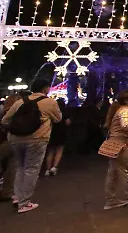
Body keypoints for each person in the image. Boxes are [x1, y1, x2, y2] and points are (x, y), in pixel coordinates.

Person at [1, 79, 62, 214]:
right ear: (45, 88)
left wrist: (18, 129)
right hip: (37, 139)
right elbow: (58, 118)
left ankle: (17, 197)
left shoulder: (20, 102)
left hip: (16, 139)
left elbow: (5, 120)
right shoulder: (49, 102)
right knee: (32, 169)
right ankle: (25, 203)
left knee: (20, 167)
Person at [103, 90, 128, 210]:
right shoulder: (126, 110)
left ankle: (110, 200)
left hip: (113, 144)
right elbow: (125, 125)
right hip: (121, 145)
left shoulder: (120, 110)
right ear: (126, 100)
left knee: (113, 172)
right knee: (127, 171)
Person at [0, 94, 21, 205]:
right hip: (16, 141)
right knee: (12, 167)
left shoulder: (4, 112)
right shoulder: (19, 113)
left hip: (4, 141)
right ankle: (7, 192)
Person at [44, 98, 70, 176]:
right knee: (59, 150)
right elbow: (68, 123)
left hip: (51, 133)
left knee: (50, 151)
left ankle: (47, 169)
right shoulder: (64, 113)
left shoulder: (51, 112)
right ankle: (54, 167)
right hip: (61, 133)